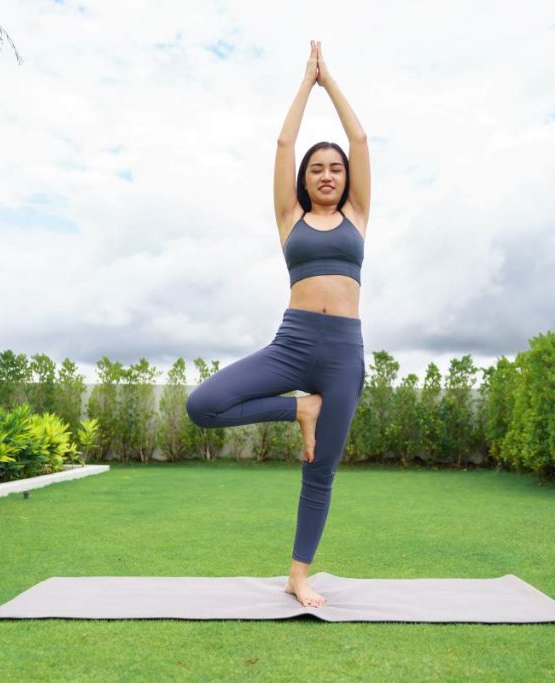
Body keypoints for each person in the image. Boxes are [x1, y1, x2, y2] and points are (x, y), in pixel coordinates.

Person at [185, 40, 370, 608]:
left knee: (321, 471)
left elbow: (359, 140)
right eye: (317, 169)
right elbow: (285, 142)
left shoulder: (358, 216)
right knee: (203, 405)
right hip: (292, 344)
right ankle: (300, 408)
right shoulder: (288, 218)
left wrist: (330, 81)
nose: (327, 175)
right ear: (304, 179)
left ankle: (298, 575)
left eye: (335, 169)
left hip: (342, 353)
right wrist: (304, 84)